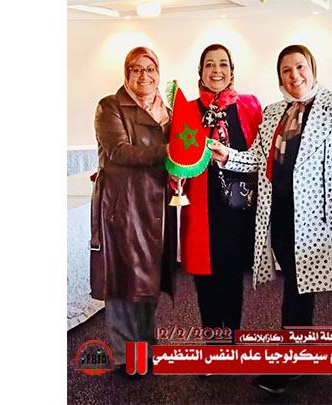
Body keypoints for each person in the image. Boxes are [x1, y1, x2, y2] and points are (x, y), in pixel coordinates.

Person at [209, 44, 332, 393]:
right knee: (298, 289)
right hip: (278, 218)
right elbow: (255, 158)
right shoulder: (273, 113)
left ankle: (288, 364)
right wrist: (226, 155)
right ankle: (301, 358)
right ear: (279, 77)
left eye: (300, 67)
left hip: (316, 222)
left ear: (312, 69)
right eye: (286, 70)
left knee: (297, 290)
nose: (294, 75)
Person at [89, 46, 177, 374]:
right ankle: (125, 356)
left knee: (148, 280)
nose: (144, 75)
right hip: (122, 206)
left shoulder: (167, 111)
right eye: (137, 69)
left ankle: (146, 350)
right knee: (123, 281)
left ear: (158, 73)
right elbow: (120, 151)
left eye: (150, 69)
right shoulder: (110, 106)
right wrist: (170, 149)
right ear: (126, 73)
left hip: (155, 205)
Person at [179, 44, 262, 344]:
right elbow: (177, 160)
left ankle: (233, 340)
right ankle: (213, 343)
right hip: (203, 210)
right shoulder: (187, 111)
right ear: (200, 72)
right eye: (210, 64)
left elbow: (260, 155)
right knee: (206, 282)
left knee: (234, 278)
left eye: (223, 64)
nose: (217, 70)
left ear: (232, 70)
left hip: (240, 210)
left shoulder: (249, 106)